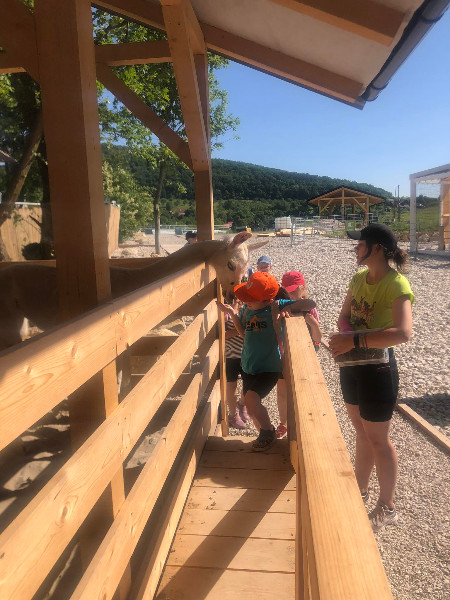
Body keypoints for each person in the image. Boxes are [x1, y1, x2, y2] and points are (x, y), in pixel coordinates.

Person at [329, 224, 414, 533]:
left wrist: (353, 341)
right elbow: (344, 315)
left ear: (376, 248)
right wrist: (344, 336)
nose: (355, 248)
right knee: (361, 432)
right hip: (352, 366)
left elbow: (403, 332)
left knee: (378, 439)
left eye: (360, 244)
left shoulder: (396, 283)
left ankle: (387, 507)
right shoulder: (358, 278)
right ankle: (360, 491)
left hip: (378, 371)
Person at [217, 271, 316, 451]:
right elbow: (243, 333)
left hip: (269, 367)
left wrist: (289, 309)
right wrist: (232, 313)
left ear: (266, 299)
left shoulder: (276, 306)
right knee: (250, 405)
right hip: (248, 366)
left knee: (251, 399)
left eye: (250, 298)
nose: (246, 301)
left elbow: (310, 303)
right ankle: (264, 435)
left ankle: (268, 432)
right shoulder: (247, 310)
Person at [275, 270, 322, 439]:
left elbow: (318, 339)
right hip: (283, 353)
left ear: (303, 287)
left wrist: (313, 324)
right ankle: (284, 423)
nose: (292, 294)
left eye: (295, 290)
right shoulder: (281, 304)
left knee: (302, 391)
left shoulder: (310, 308)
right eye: (288, 290)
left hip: (304, 355)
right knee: (282, 390)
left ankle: (303, 424)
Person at [224, 296, 248, 429]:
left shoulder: (247, 309)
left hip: (247, 354)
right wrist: (240, 330)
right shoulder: (225, 313)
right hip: (231, 355)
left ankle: (242, 404)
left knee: (248, 384)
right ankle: (233, 415)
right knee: (231, 385)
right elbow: (224, 335)